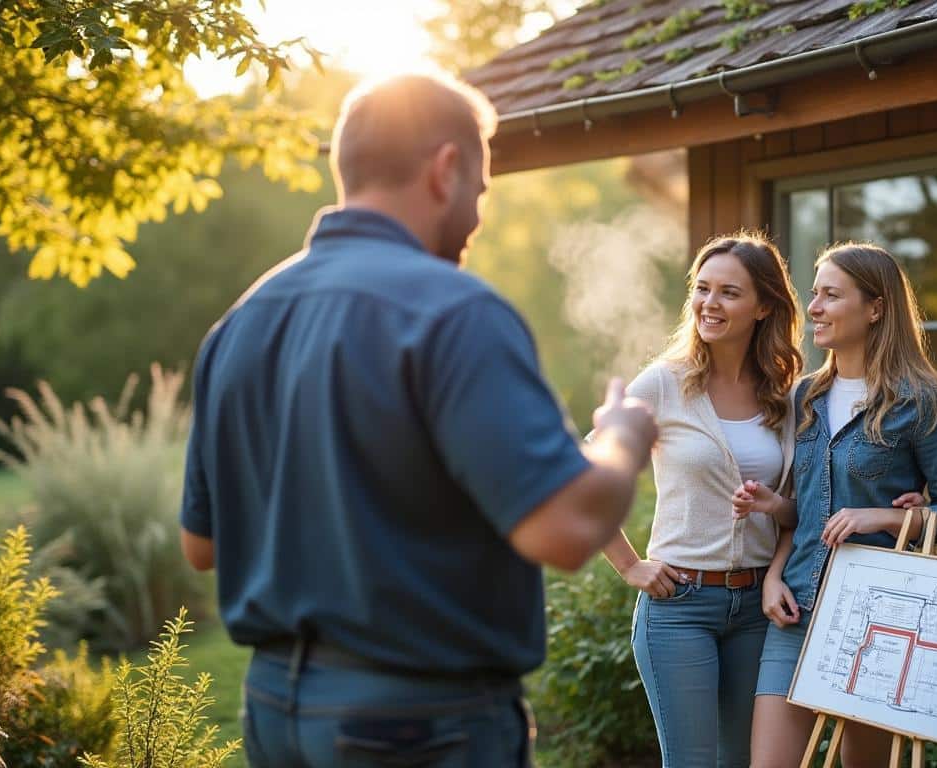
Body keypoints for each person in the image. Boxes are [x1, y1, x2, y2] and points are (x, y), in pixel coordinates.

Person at [177, 72, 658, 768]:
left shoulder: (240, 323)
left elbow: (201, 544)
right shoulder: (456, 313)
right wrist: (621, 439)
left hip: (276, 713)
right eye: (481, 192)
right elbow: (564, 528)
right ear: (446, 168)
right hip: (416, 724)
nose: (478, 218)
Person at [733, 242, 937, 768]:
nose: (814, 308)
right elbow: (804, 510)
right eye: (814, 294)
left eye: (831, 295)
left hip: (877, 617)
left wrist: (889, 517)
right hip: (796, 610)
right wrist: (774, 576)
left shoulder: (922, 402)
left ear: (875, 308)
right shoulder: (804, 397)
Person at [600, 233, 802, 767]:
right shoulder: (663, 384)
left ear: (763, 307)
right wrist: (629, 565)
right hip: (679, 607)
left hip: (758, 608)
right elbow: (584, 475)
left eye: (729, 293)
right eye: (703, 288)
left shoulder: (784, 393)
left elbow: (796, 509)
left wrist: (774, 516)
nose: (710, 303)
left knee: (740, 760)